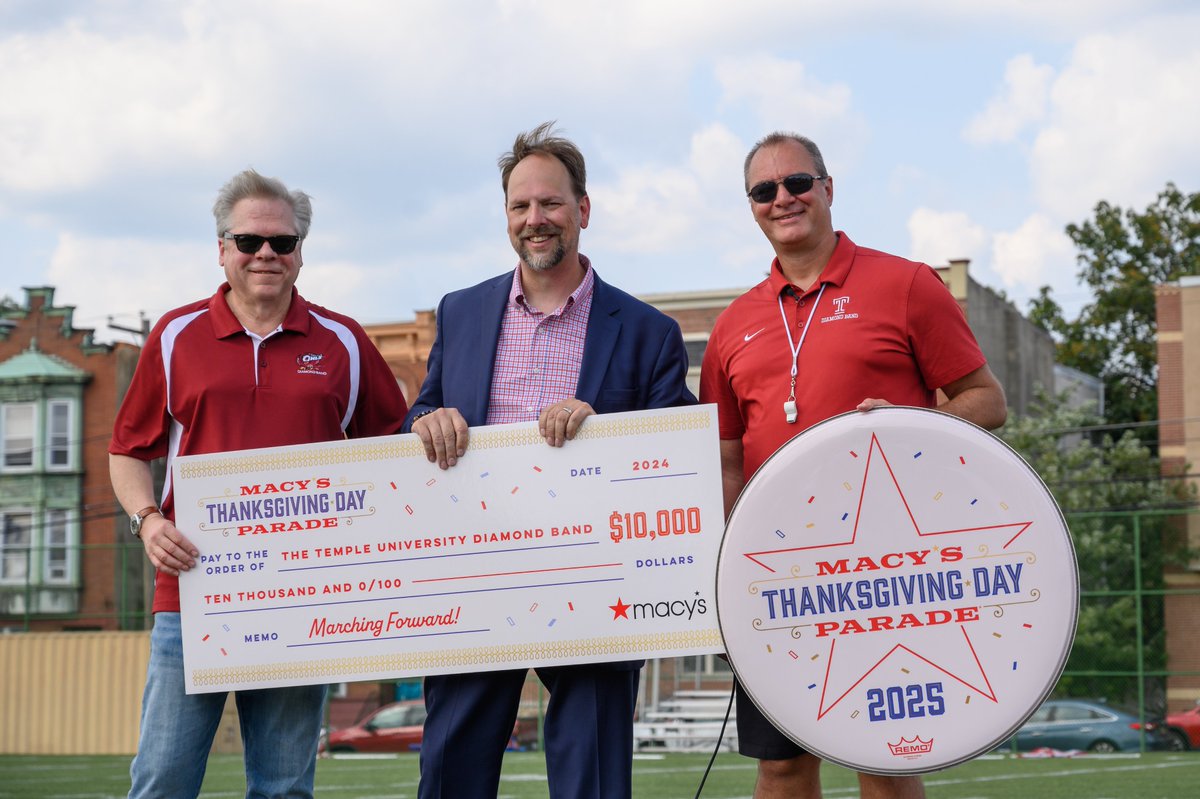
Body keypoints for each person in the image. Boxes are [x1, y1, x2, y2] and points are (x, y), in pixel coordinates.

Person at [699, 132, 1007, 799]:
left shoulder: (906, 284)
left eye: (797, 183)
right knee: (781, 767)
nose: (783, 198)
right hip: (775, 577)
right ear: (751, 207)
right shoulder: (731, 326)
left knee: (886, 757)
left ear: (828, 189)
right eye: (764, 190)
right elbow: (724, 464)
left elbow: (988, 401)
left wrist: (910, 427)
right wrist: (723, 568)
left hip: (883, 570)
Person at [403, 122, 694, 798]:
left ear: (583, 211)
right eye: (520, 206)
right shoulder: (463, 311)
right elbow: (417, 417)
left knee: (592, 778)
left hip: (594, 583)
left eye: (551, 203)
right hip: (477, 574)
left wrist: (610, 432)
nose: (535, 219)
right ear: (506, 216)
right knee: (451, 773)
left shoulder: (649, 332)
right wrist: (429, 420)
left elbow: (676, 446)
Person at [109, 169, 409, 799]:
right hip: (191, 588)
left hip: (302, 594)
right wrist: (148, 520)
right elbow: (126, 451)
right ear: (222, 249)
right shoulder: (173, 336)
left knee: (282, 788)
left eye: (282, 241)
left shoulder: (345, 342)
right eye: (248, 241)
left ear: (302, 250)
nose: (266, 254)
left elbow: (399, 453)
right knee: (163, 779)